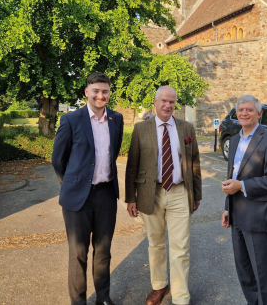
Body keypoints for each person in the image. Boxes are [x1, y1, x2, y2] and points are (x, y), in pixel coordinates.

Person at [125, 86, 201, 305]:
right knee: (155, 243)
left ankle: (180, 297)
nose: (168, 105)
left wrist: (196, 194)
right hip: (151, 193)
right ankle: (159, 286)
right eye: (164, 101)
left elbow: (194, 162)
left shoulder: (186, 128)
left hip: (179, 192)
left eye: (172, 102)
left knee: (181, 247)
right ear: (155, 102)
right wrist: (131, 197)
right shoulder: (141, 129)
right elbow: (132, 166)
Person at [52, 72, 124, 305]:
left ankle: (103, 298)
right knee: (78, 254)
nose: (100, 95)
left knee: (103, 251)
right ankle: (79, 302)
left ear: (109, 93)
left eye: (105, 91)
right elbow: (58, 159)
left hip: (106, 195)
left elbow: (113, 152)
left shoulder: (117, 119)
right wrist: (71, 182)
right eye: (96, 91)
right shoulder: (72, 120)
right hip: (77, 198)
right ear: (87, 92)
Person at [221, 95, 267, 305]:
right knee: (245, 271)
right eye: (241, 110)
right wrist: (227, 208)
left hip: (258, 216)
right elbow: (233, 176)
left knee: (264, 275)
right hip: (237, 214)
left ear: (259, 114)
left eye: (249, 110)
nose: (244, 113)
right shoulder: (236, 139)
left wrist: (242, 186)